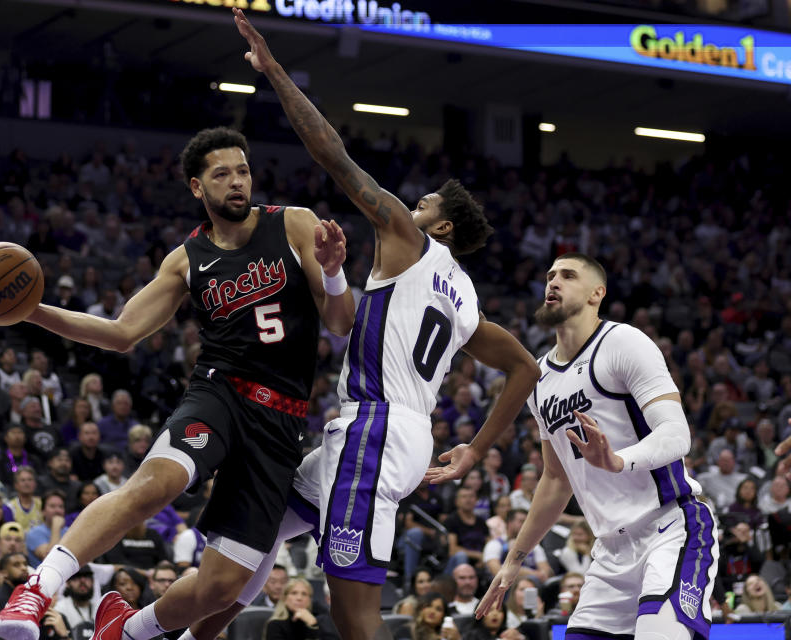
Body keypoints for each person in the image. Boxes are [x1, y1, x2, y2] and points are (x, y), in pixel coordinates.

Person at [179, 12, 540, 640]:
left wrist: (274, 73)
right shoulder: (466, 295)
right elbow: (525, 368)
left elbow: (332, 154)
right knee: (255, 541)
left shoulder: (406, 235)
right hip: (397, 438)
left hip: (374, 429)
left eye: (426, 202)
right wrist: (477, 450)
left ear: (442, 226)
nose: (412, 202)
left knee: (353, 614)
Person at [0, 121, 356, 640]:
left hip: (281, 423)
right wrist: (31, 311)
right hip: (220, 393)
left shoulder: (294, 224)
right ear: (197, 187)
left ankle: (126, 629)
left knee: (221, 588)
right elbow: (121, 333)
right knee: (156, 485)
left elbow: (340, 322)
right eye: (222, 173)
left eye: (244, 171)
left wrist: (335, 271)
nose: (237, 182)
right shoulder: (186, 259)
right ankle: (37, 586)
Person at [476, 253, 719, 640]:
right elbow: (555, 480)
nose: (553, 282)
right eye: (550, 275)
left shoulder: (622, 342)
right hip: (609, 550)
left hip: (670, 528)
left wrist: (617, 460)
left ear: (596, 294)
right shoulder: (539, 380)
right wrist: (512, 561)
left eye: (568, 276)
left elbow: (677, 435)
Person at [26, 490, 68, 569]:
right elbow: (51, 559)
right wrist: (56, 527)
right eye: (52, 506)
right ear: (43, 511)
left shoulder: (69, 531)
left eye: (61, 507)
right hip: (44, 577)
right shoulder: (35, 533)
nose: (57, 510)